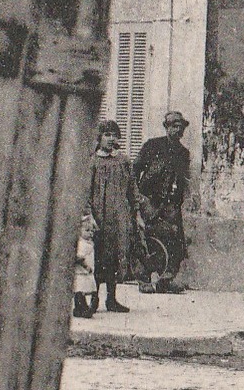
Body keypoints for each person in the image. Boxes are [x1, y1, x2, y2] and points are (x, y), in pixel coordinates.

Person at [136, 111, 192, 294]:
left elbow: (183, 180)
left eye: (181, 127)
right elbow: (135, 171)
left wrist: (178, 202)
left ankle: (165, 280)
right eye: (174, 126)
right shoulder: (152, 146)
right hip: (149, 200)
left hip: (170, 204)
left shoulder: (183, 153)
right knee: (149, 238)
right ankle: (144, 278)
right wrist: (138, 199)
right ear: (166, 127)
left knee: (175, 240)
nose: (178, 130)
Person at [87, 119, 138, 313]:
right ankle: (94, 299)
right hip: (99, 218)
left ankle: (112, 298)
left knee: (115, 257)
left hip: (118, 218)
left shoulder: (123, 161)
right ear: (99, 138)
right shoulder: (92, 161)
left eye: (114, 135)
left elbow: (132, 190)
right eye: (107, 135)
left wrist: (136, 214)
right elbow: (85, 192)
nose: (110, 139)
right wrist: (89, 216)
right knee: (97, 257)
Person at [73, 213, 98, 319]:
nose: (90, 233)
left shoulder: (88, 243)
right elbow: (79, 257)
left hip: (86, 273)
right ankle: (82, 308)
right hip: (82, 272)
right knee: (80, 291)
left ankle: (79, 308)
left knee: (82, 291)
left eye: (92, 231)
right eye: (87, 231)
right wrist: (86, 266)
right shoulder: (82, 244)